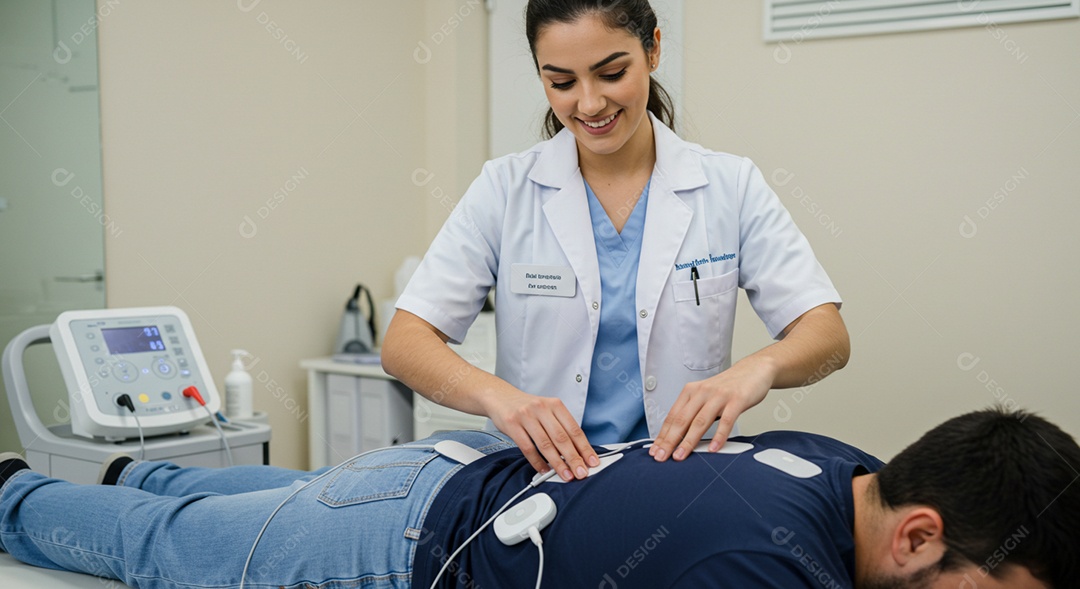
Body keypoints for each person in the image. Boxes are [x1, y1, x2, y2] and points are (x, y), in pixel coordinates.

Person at [382, 0, 850, 483]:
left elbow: (827, 335)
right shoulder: (505, 189)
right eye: (561, 82)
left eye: (611, 74)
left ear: (653, 50)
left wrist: (759, 368)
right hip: (537, 480)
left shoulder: (729, 185)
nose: (588, 104)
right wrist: (498, 397)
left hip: (681, 477)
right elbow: (404, 343)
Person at [1, 407, 1077, 588]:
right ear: (921, 533)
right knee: (163, 549)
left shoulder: (841, 465)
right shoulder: (762, 568)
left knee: (263, 499)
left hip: (454, 472)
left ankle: (143, 464)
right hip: (401, 539)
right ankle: (11, 492)